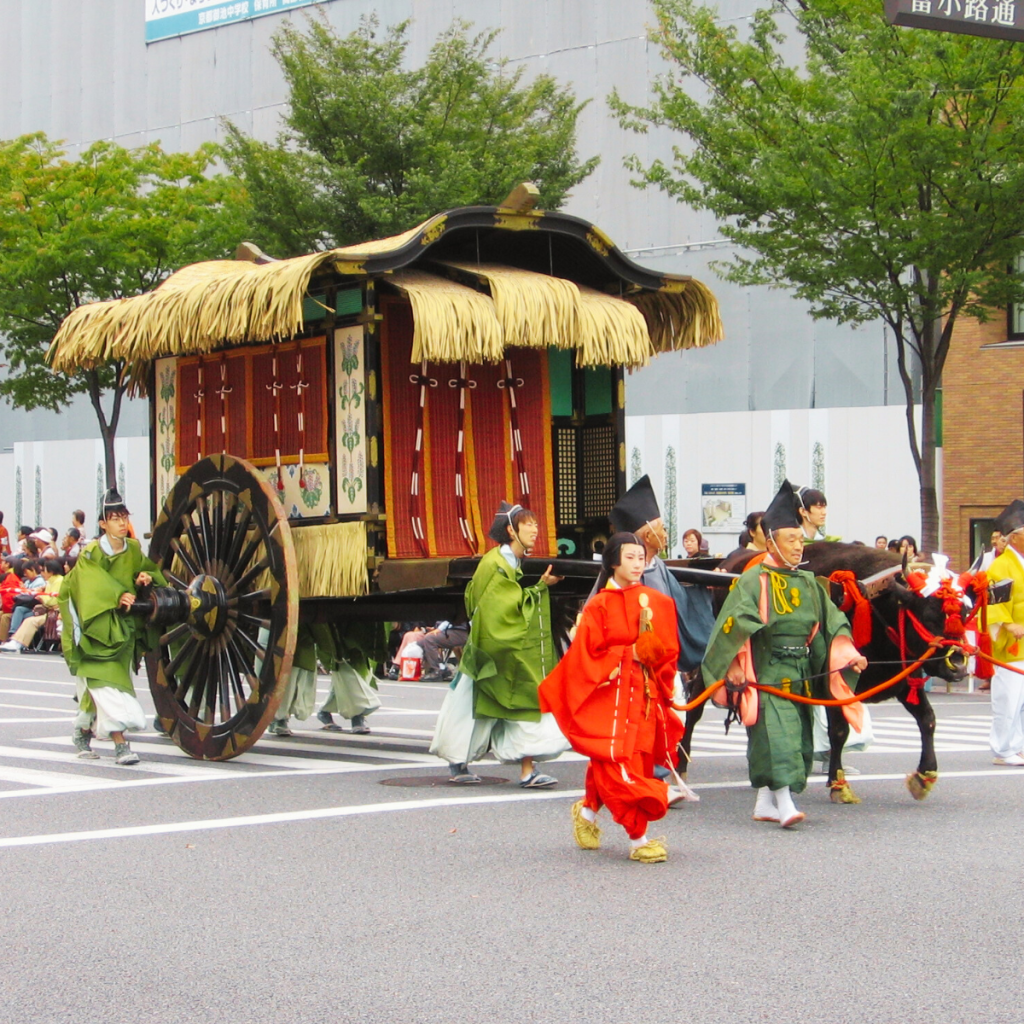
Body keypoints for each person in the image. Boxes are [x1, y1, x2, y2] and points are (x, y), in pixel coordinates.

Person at [701, 480, 868, 827]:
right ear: (772, 541)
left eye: (800, 540)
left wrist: (846, 654)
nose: (797, 547)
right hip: (767, 670)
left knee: (799, 735)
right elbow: (731, 624)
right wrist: (733, 662)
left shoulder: (809, 582)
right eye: (790, 540)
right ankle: (784, 801)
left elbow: (833, 623)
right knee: (779, 736)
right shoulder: (753, 580)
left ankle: (765, 802)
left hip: (802, 671)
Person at [539, 533, 683, 862]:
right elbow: (585, 654)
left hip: (644, 695)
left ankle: (588, 812)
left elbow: (668, 654)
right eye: (630, 557)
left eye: (641, 557)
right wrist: (628, 652)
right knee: (618, 761)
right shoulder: (599, 605)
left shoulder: (658, 602)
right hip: (610, 695)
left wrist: (660, 674)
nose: (637, 564)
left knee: (624, 759)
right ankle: (638, 837)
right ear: (613, 562)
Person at [429, 501, 568, 786]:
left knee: (522, 701)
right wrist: (541, 587)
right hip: (489, 647)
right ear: (511, 530)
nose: (535, 529)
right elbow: (500, 607)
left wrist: (538, 586)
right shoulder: (495, 563)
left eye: (535, 523)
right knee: (472, 706)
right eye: (528, 524)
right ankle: (458, 762)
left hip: (503, 645)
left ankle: (528, 771)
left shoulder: (509, 562)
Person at [605, 475, 716, 800]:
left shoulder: (659, 567)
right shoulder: (627, 574)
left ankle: (660, 779)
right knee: (644, 722)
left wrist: (705, 589)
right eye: (660, 526)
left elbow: (679, 603)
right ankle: (652, 782)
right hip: (639, 665)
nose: (665, 532)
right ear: (645, 533)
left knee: (667, 720)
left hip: (663, 663)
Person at [58, 489, 167, 764]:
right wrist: (116, 594)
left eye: (123, 517)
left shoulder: (132, 549)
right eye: (114, 518)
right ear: (103, 523)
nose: (121, 523)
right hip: (96, 627)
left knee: (108, 687)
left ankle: (83, 731)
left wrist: (144, 577)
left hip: (123, 629)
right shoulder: (92, 552)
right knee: (107, 687)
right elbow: (87, 584)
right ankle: (121, 745)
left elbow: (148, 570)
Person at [983, 500, 1024, 767]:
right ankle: (1003, 748)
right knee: (1008, 699)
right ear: (1016, 536)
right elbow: (994, 604)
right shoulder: (1000, 566)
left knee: (1021, 702)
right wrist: (1009, 625)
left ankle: (1017, 746)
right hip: (1012, 643)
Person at [0, 558, 64, 652]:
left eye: (44, 571)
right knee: (22, 613)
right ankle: (14, 639)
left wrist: (40, 597)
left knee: (30, 621)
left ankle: (17, 642)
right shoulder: (50, 581)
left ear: (51, 571)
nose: (42, 573)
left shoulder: (59, 581)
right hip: (45, 609)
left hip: (53, 612)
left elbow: (53, 601)